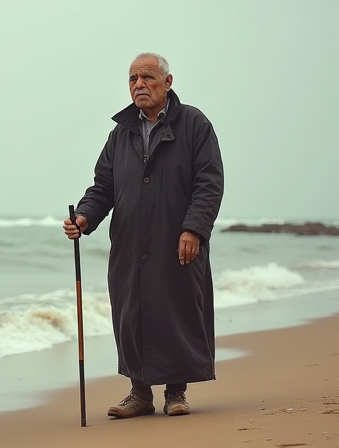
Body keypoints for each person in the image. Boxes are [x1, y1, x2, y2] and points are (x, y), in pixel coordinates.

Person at [63, 53, 224, 418]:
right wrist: (86, 217)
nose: (139, 84)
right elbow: (103, 187)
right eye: (133, 78)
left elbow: (209, 183)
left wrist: (193, 228)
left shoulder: (194, 124)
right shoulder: (120, 133)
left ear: (167, 83)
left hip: (177, 240)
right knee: (131, 314)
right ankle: (139, 394)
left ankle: (176, 393)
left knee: (177, 311)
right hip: (129, 245)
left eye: (148, 77)